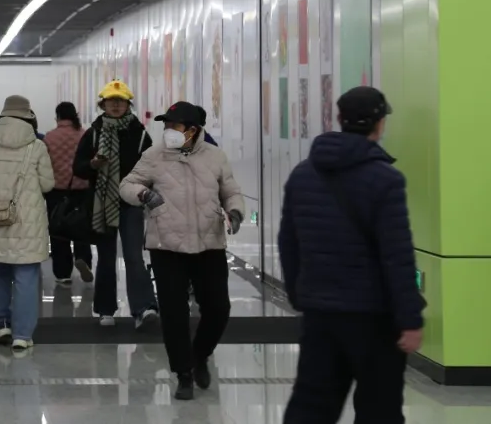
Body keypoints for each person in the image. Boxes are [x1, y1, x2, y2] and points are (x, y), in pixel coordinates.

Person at [279, 87, 424, 424]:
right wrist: (410, 318)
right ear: (380, 123)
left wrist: (301, 296)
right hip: (374, 318)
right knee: (379, 408)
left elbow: (289, 242)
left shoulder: (303, 174)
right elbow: (397, 255)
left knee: (311, 407)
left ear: (339, 118)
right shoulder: (386, 179)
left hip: (320, 314)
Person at [120, 101, 245, 401]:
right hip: (167, 246)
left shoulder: (215, 156)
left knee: (218, 309)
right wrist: (144, 194)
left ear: (192, 130)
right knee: (174, 314)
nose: (168, 131)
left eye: (174, 126)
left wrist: (235, 212)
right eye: (166, 126)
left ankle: (199, 354)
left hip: (209, 244)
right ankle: (183, 373)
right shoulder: (154, 155)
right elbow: (127, 185)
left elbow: (231, 191)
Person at [73, 80, 159, 329]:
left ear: (128, 105)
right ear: (103, 105)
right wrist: (92, 165)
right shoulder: (93, 133)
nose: (116, 105)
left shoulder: (140, 134)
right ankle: (105, 309)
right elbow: (78, 168)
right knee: (106, 258)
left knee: (133, 256)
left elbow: (152, 168)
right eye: (111, 101)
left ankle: (144, 308)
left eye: (121, 101)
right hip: (102, 204)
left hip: (131, 203)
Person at [0, 95, 55, 352]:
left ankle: (2, 324)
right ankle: (22, 334)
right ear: (28, 116)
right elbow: (48, 185)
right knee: (26, 276)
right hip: (28, 223)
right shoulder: (37, 146)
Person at [43, 102, 93, 286]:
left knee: (58, 232)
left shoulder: (50, 137)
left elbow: (45, 165)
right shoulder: (84, 135)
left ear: (58, 116)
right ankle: (83, 259)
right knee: (81, 228)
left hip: (57, 191)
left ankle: (63, 273)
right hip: (82, 189)